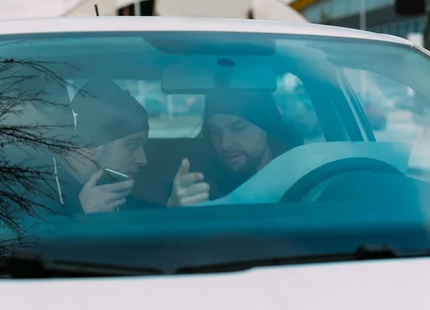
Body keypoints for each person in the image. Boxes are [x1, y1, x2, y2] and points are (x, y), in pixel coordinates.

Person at [167, 89, 302, 207]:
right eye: (215, 130)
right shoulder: (200, 181)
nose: (225, 144)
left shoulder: (300, 172)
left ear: (267, 128)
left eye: (238, 128)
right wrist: (176, 211)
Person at [50, 78, 152, 214]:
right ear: (92, 144)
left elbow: (142, 216)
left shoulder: (113, 187)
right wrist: (83, 212)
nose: (142, 160)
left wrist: (174, 207)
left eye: (143, 146)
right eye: (132, 145)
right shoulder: (38, 191)